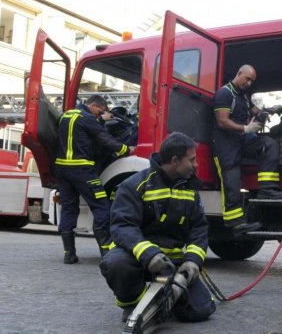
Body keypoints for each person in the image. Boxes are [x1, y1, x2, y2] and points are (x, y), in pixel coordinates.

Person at [100, 132, 216, 323]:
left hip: (173, 264)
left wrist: (193, 261)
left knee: (201, 310)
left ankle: (166, 299)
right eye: (192, 160)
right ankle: (133, 304)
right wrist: (149, 254)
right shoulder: (134, 185)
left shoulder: (189, 189)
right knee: (116, 263)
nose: (196, 165)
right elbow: (123, 226)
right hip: (138, 258)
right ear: (175, 161)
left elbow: (199, 229)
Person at [55, 94, 135, 264]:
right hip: (82, 169)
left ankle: (69, 253)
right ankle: (106, 252)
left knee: (69, 208)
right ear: (92, 105)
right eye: (100, 111)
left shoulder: (66, 115)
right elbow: (105, 140)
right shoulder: (88, 118)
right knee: (101, 206)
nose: (100, 114)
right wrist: (126, 150)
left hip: (62, 170)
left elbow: (80, 132)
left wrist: (100, 120)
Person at [211, 64, 282, 233]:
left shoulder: (243, 96)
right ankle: (235, 224)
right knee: (231, 179)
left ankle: (267, 189)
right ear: (239, 74)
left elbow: (247, 113)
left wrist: (267, 110)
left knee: (268, 144)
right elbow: (222, 121)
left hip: (240, 140)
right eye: (248, 79)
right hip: (225, 143)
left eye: (252, 81)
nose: (250, 83)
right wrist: (245, 129)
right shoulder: (225, 93)